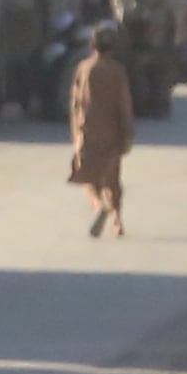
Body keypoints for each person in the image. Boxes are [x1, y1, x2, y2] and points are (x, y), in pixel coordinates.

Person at [67, 22, 134, 237]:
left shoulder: (83, 69)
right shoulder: (118, 71)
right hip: (112, 131)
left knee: (89, 177)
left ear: (91, 45)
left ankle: (99, 204)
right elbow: (124, 103)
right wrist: (127, 132)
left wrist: (76, 131)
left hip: (88, 130)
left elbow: (76, 103)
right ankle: (118, 221)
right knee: (113, 179)